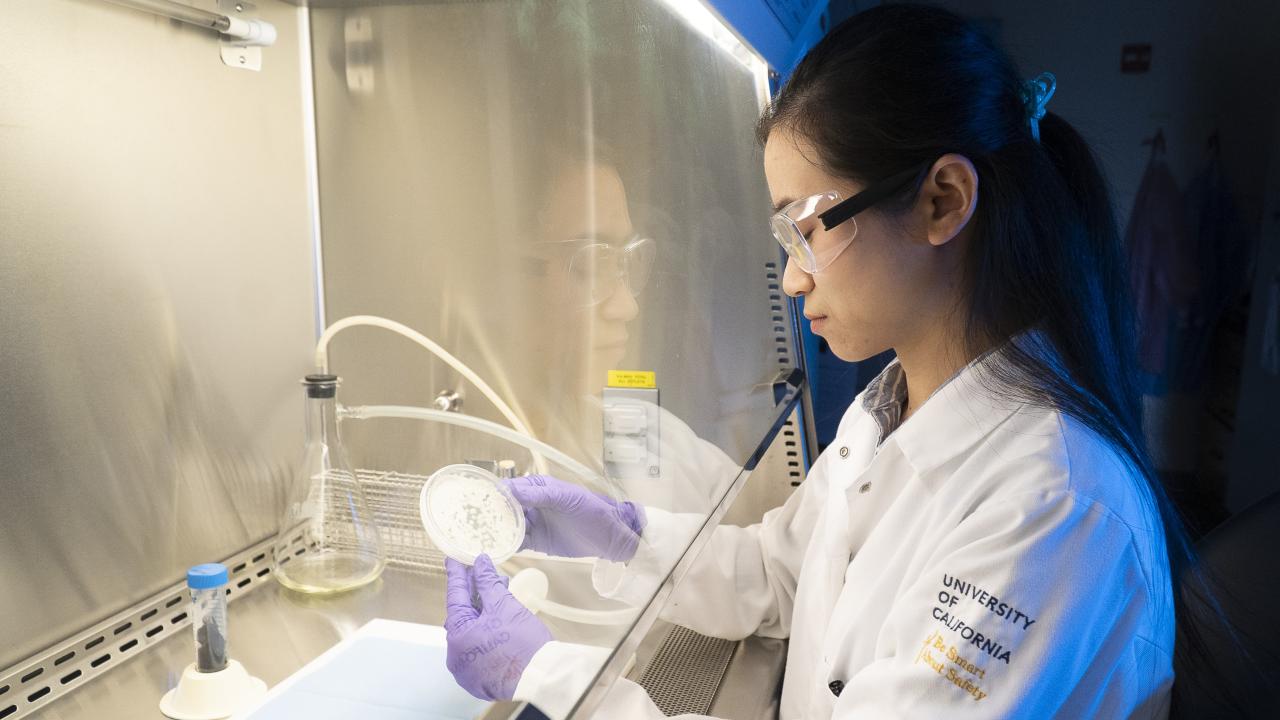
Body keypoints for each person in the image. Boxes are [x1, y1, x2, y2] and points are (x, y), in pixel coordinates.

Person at [442, 5, 1183, 718]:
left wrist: (551, 675)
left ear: (942, 201)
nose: (793, 278)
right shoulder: (886, 409)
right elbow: (779, 573)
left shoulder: (1054, 505)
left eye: (804, 230)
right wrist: (620, 535)